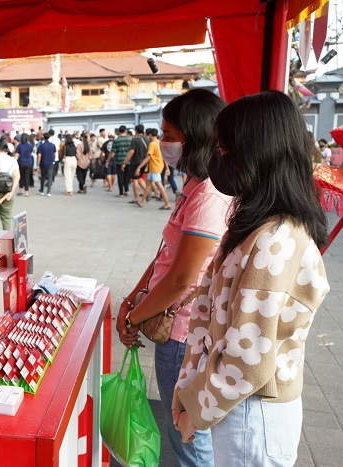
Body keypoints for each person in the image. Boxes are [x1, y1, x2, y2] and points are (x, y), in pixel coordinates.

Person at [173, 90, 329, 467]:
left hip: (253, 411)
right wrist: (187, 390)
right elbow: (205, 310)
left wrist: (195, 408)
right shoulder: (252, 228)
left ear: (258, 154)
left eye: (225, 151)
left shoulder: (275, 240)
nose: (216, 160)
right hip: (235, 401)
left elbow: (248, 359)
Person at [116, 88, 231, 467]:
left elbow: (182, 277)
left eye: (169, 136)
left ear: (196, 137)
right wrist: (132, 299)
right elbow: (165, 255)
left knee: (187, 433)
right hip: (179, 326)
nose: (162, 143)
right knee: (182, 430)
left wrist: (133, 317)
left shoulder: (210, 193)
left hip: (184, 332)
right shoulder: (193, 185)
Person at [0, 136, 21, 231]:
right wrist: (11, 192)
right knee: (6, 217)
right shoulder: (12, 159)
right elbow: (17, 176)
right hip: (8, 191)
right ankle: (7, 240)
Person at [136, 128, 171, 209]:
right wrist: (167, 168)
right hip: (157, 166)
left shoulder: (152, 144)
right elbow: (164, 157)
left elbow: (148, 157)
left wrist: (139, 167)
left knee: (159, 185)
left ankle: (167, 203)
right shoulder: (160, 143)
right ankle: (141, 202)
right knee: (148, 184)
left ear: (150, 135)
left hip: (154, 167)